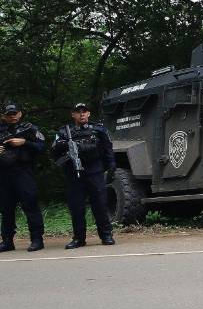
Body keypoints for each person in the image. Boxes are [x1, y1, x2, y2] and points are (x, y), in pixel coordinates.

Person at [52, 103, 116, 249]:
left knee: (100, 204)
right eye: (78, 112)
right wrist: (67, 145)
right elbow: (54, 151)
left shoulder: (99, 129)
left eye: (84, 111)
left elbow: (108, 149)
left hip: (95, 171)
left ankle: (106, 235)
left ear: (88, 114)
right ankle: (79, 239)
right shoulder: (63, 132)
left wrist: (111, 167)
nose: (82, 114)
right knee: (76, 207)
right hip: (74, 173)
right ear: (72, 115)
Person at [0, 103, 46, 252]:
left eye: (15, 113)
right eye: (9, 114)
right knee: (6, 209)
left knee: (30, 206)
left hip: (24, 172)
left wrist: (24, 142)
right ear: (4, 116)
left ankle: (37, 239)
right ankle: (7, 241)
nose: (12, 116)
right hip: (5, 175)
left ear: (20, 114)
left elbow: (41, 147)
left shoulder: (30, 129)